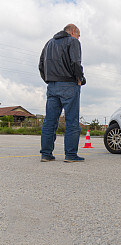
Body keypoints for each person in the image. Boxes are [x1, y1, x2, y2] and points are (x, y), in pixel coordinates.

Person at [39, 24, 86, 162]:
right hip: (69, 85)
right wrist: (80, 78)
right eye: (78, 35)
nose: (78, 37)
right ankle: (70, 155)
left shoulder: (49, 43)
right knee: (72, 121)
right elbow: (76, 62)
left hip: (52, 85)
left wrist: (48, 79)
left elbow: (41, 65)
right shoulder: (73, 42)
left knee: (49, 121)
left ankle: (46, 154)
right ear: (73, 31)